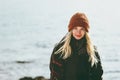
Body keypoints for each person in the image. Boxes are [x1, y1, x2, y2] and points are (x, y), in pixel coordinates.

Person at [49, 12, 103, 80]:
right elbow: (54, 76)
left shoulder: (92, 51)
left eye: (82, 29)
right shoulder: (59, 50)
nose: (78, 32)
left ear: (86, 31)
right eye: (75, 28)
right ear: (71, 29)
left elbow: (98, 76)